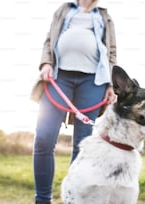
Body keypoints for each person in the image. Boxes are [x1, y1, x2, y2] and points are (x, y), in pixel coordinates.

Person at [30, 0, 117, 203]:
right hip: (58, 77)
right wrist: (45, 63)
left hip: (93, 80)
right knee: (43, 138)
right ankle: (42, 199)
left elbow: (111, 52)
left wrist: (111, 85)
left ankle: (75, 199)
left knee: (82, 145)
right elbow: (48, 40)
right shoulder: (64, 9)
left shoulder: (104, 16)